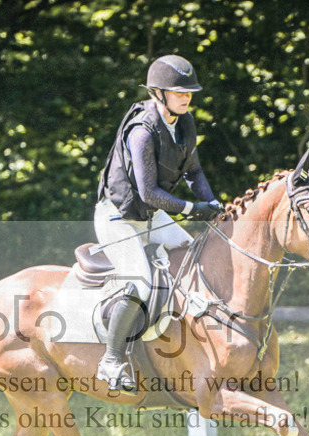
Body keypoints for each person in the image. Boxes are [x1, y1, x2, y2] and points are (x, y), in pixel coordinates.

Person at [94, 54, 223, 393]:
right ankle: (111, 359)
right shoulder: (142, 131)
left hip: (148, 216)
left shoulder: (184, 123)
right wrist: (193, 208)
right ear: (157, 93)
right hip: (118, 217)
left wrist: (212, 206)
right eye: (178, 92)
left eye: (189, 92)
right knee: (140, 282)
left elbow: (194, 172)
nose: (186, 97)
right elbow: (148, 193)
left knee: (193, 255)